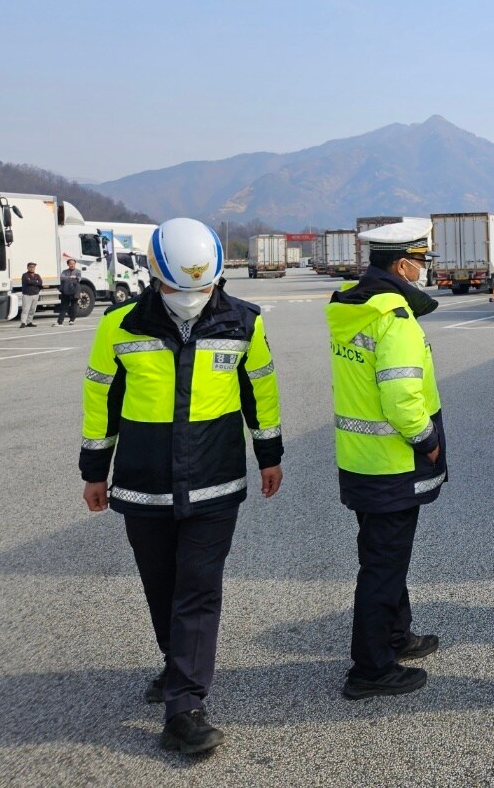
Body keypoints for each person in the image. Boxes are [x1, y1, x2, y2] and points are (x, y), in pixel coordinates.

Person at [79, 217, 284, 756]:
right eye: (179, 288)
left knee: (197, 587)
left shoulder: (244, 322)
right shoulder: (118, 326)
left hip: (215, 479)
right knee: (161, 585)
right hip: (144, 483)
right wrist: (93, 471)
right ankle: (177, 668)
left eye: (204, 286)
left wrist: (270, 455)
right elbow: (101, 401)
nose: (193, 298)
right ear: (153, 275)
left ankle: (185, 706)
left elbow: (260, 391)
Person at [327, 219, 447, 700]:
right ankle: (371, 668)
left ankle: (398, 636)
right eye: (420, 262)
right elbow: (400, 397)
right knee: (383, 565)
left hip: (360, 458)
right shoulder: (393, 316)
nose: (423, 270)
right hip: (395, 462)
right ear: (402, 265)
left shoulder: (350, 307)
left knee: (382, 555)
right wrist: (426, 439)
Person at [57, 257, 81, 324]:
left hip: (74, 291)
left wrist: (74, 277)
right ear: (68, 264)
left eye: (73, 263)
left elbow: (79, 279)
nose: (72, 265)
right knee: (64, 306)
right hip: (66, 290)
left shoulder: (78, 271)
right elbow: (62, 278)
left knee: (74, 305)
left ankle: (72, 320)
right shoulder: (65, 271)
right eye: (70, 264)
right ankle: (60, 321)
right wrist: (70, 277)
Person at [20, 261, 43, 326]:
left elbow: (40, 283)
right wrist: (35, 282)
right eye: (30, 267)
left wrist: (33, 282)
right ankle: (23, 322)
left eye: (33, 267)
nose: (32, 268)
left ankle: (29, 321)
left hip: (35, 294)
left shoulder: (37, 275)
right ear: (27, 267)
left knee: (33, 309)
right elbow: (28, 282)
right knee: (25, 309)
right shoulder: (25, 275)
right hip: (27, 294)